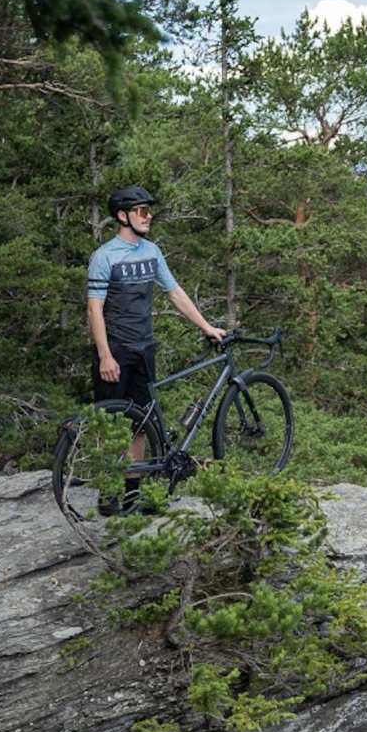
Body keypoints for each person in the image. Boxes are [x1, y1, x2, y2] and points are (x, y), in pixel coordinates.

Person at [87, 186, 224, 512]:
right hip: (115, 349)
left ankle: (132, 492)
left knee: (141, 423)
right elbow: (94, 310)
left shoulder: (151, 252)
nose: (149, 217)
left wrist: (206, 327)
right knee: (110, 425)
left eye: (150, 212)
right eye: (142, 211)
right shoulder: (105, 256)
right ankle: (108, 495)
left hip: (144, 349)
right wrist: (105, 355)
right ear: (123, 215)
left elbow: (174, 292)